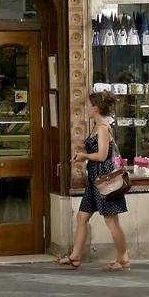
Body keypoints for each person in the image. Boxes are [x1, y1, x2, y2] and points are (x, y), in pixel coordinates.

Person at [54, 89, 130, 271]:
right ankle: (75, 257)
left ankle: (124, 260)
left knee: (112, 221)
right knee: (82, 217)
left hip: (103, 180)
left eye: (88, 106)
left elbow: (103, 155)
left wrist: (83, 156)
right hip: (94, 179)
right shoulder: (96, 126)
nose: (86, 109)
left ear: (96, 108)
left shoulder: (102, 127)